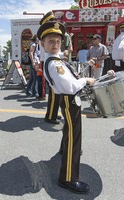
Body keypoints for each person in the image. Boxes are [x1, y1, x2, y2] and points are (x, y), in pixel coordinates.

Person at [37, 21, 95, 193]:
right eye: (50, 42)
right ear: (42, 44)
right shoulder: (54, 64)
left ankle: (64, 150)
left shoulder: (55, 59)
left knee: (69, 133)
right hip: (70, 100)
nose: (55, 45)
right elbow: (70, 87)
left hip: (68, 100)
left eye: (57, 41)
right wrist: (85, 80)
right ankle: (68, 178)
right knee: (74, 139)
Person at [39, 11, 61, 124]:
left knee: (55, 93)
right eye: (52, 20)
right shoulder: (44, 36)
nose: (54, 22)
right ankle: (50, 116)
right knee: (53, 92)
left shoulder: (47, 34)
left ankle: (53, 113)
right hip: (49, 63)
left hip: (50, 62)